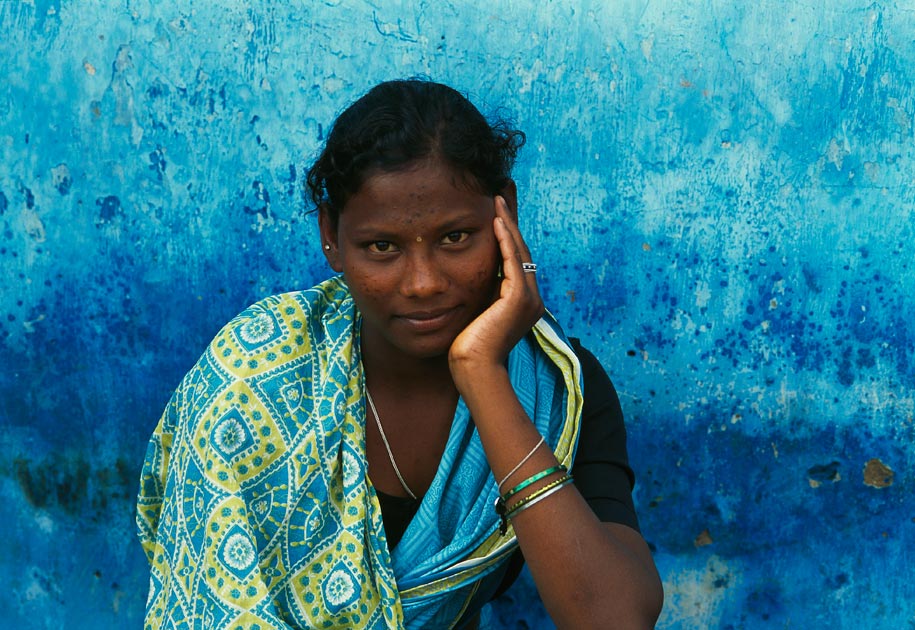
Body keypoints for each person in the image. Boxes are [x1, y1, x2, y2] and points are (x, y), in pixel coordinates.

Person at [137, 78, 663, 629]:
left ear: (504, 213)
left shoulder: (553, 391)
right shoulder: (254, 374)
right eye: (382, 247)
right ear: (332, 237)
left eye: (456, 237)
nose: (423, 283)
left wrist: (482, 373)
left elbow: (615, 618)